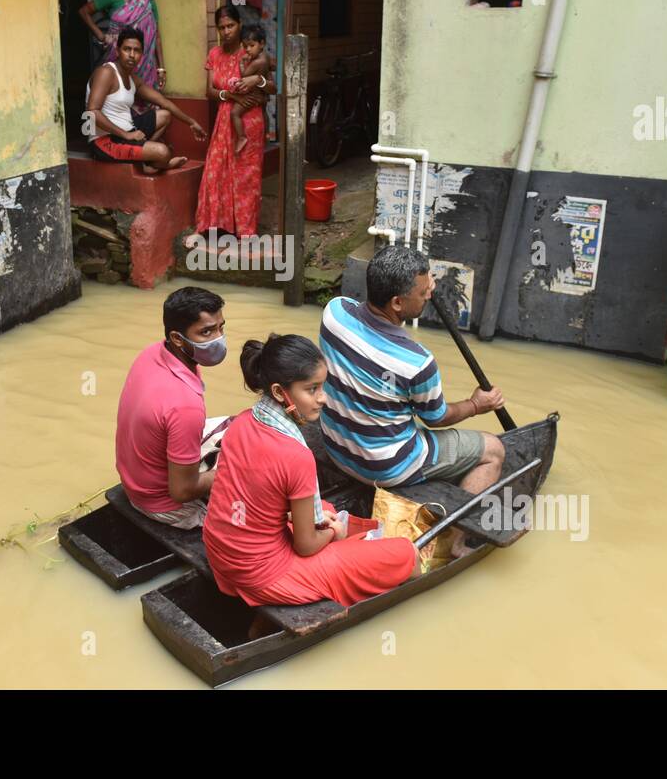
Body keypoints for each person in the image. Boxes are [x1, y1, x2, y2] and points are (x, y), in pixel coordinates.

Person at [203, 333, 419, 607]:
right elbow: (305, 547)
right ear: (280, 392)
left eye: (322, 387)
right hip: (266, 575)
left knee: (326, 508)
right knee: (407, 553)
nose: (323, 399)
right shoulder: (297, 456)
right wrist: (333, 534)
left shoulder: (242, 423)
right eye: (312, 389)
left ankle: (353, 547)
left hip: (220, 553)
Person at [318, 246, 506, 554]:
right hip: (385, 465)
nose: (428, 294)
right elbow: (437, 417)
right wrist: (476, 405)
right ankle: (455, 541)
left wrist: (421, 282)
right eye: (422, 292)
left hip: (336, 446)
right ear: (396, 302)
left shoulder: (334, 313)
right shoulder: (417, 362)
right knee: (493, 450)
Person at [115, 287, 227, 529]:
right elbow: (182, 491)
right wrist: (233, 473)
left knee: (237, 426)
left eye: (221, 328)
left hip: (133, 480)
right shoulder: (185, 406)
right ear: (177, 338)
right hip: (164, 505)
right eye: (206, 332)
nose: (218, 339)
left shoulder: (152, 352)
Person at [195, 5, 276, 239]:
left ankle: (246, 230)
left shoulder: (251, 51)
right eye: (221, 27)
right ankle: (215, 226)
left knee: (246, 174)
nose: (226, 31)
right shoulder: (214, 54)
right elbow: (209, 91)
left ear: (240, 24)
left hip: (250, 119)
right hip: (225, 118)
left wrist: (256, 80)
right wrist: (228, 95)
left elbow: (273, 87)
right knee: (216, 172)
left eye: (230, 25)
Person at [85, 28, 204, 173]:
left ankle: (149, 160)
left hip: (128, 131)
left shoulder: (132, 79)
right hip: (104, 141)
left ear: (142, 55)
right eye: (127, 49)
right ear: (117, 51)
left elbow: (163, 102)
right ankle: (156, 162)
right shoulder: (106, 73)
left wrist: (191, 122)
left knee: (164, 115)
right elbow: (92, 112)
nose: (132, 55)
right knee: (163, 152)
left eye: (137, 51)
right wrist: (126, 135)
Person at [78, 0, 165, 89]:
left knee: (145, 101)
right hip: (117, 60)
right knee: (116, 99)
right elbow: (84, 11)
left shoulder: (149, 1)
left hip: (145, 65)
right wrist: (101, 36)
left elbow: (156, 36)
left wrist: (161, 68)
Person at [229, 24, 272, 157]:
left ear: (262, 43)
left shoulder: (257, 63)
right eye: (245, 46)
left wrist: (242, 63)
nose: (248, 50)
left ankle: (242, 137)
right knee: (264, 111)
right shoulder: (265, 57)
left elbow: (244, 76)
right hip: (261, 95)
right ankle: (266, 133)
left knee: (234, 113)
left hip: (251, 96)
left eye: (251, 45)